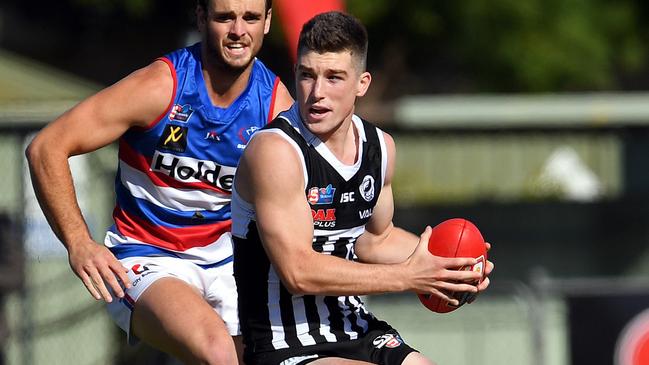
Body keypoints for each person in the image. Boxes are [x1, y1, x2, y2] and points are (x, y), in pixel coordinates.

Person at [24, 0, 293, 363]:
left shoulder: (275, 105)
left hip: (229, 262)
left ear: (267, 22)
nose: (237, 31)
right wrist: (79, 242)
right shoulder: (161, 86)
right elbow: (46, 148)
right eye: (224, 17)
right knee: (218, 351)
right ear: (201, 17)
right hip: (148, 256)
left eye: (250, 18)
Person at [231, 11, 494, 365]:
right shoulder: (276, 151)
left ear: (362, 83)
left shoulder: (380, 147)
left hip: (355, 328)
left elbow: (376, 239)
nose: (317, 92)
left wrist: (447, 270)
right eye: (307, 75)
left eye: (334, 77)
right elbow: (297, 272)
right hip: (284, 342)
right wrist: (408, 276)